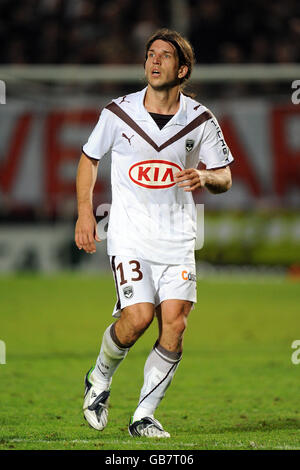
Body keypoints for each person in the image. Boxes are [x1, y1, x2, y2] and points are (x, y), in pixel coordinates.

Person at [75, 28, 233, 438]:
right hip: (129, 235)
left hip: (178, 239)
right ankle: (100, 377)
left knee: (176, 325)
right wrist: (84, 214)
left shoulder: (200, 120)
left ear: (182, 69)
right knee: (138, 318)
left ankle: (143, 415)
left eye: (164, 55)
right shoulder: (119, 113)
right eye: (150, 54)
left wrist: (204, 176)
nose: (154, 60)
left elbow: (225, 177)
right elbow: (90, 159)